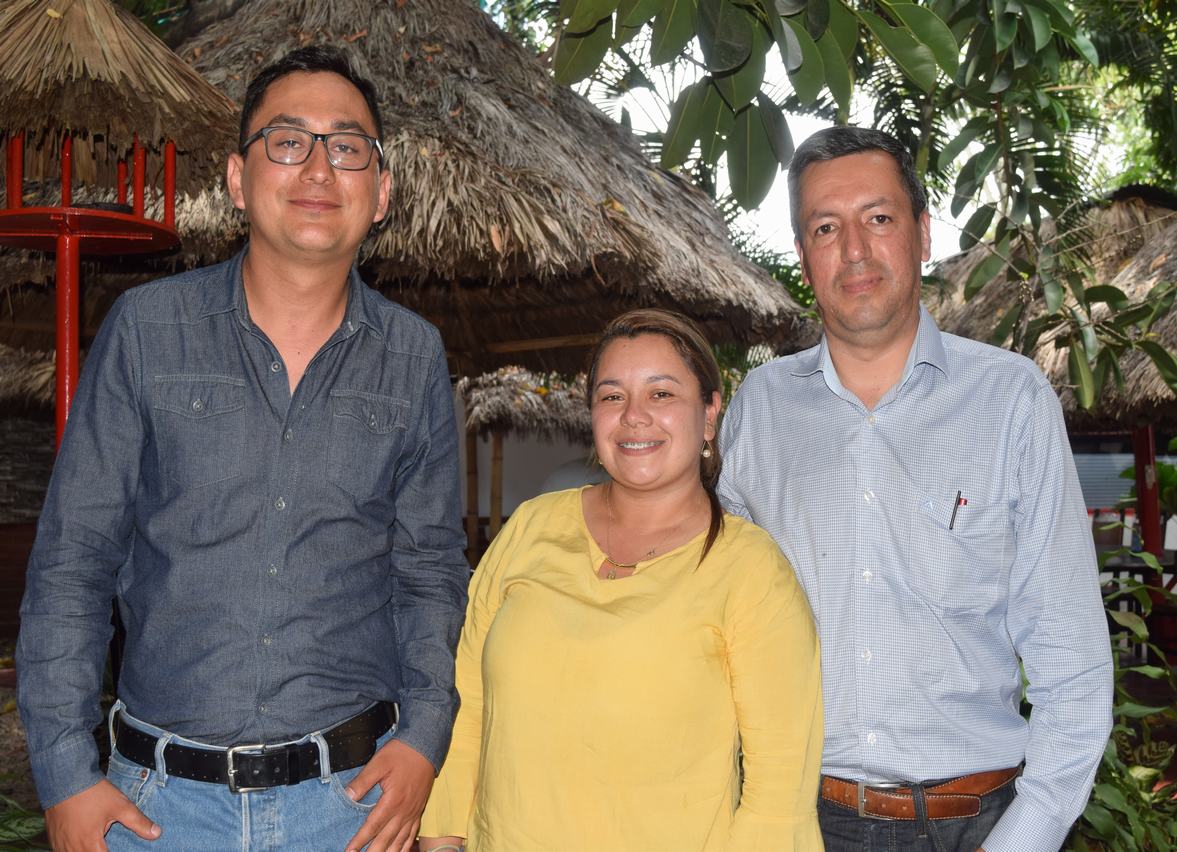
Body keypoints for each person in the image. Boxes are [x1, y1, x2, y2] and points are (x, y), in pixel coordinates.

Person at [16, 46, 468, 852]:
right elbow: (73, 561)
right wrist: (64, 774)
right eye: (287, 141)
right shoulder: (148, 331)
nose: (319, 168)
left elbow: (429, 572)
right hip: (156, 811)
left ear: (383, 191)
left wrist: (424, 736)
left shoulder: (414, 357)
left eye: (347, 145)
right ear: (236, 178)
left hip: (351, 809)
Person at [718, 126, 1113, 852]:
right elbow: (716, 623)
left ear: (922, 233)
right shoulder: (760, 411)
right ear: (803, 255)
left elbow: (1073, 663)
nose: (855, 250)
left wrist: (1021, 838)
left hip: (978, 824)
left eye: (878, 218)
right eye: (826, 228)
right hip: (799, 821)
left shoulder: (1010, 401)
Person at [416, 309, 823, 851]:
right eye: (612, 396)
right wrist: (442, 837)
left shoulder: (751, 572)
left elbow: (778, 797)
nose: (634, 416)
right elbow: (468, 706)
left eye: (661, 394)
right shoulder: (531, 528)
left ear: (709, 414)